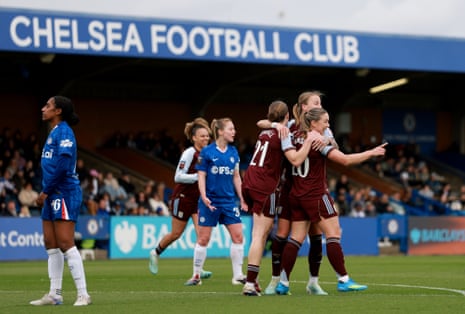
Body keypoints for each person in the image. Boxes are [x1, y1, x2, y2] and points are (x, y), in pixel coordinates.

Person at [275, 107, 387, 295]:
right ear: (313, 123)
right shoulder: (318, 140)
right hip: (316, 194)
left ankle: (283, 283)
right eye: (325, 121)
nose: (328, 125)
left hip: (296, 195)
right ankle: (343, 279)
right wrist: (371, 153)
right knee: (333, 234)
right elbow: (344, 160)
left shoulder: (293, 137)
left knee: (295, 239)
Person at [257, 91, 337, 295]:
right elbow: (261, 123)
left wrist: (328, 142)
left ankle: (313, 282)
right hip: (289, 188)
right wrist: (276, 125)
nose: (320, 105)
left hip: (311, 190)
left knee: (316, 235)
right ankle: (276, 281)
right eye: (316, 102)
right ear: (304, 107)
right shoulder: (290, 125)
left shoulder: (322, 127)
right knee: (282, 234)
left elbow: (335, 145)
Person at [241, 100, 324, 296]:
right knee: (260, 235)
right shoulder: (284, 132)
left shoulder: (266, 131)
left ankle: (254, 279)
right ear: (287, 116)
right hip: (266, 186)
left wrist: (273, 124)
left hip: (250, 181)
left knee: (261, 233)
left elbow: (261, 123)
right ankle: (250, 283)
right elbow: (295, 159)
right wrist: (309, 142)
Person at [29, 96, 91, 306]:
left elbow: (64, 164)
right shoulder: (53, 132)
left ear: (58, 112)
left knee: (65, 242)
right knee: (50, 242)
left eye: (48, 106)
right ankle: (55, 294)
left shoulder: (64, 131)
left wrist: (45, 191)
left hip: (63, 192)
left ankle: (83, 294)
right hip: (52, 192)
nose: (43, 108)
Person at [184, 117, 249, 286]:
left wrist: (242, 198)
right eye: (230, 129)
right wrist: (203, 196)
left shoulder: (233, 152)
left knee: (238, 236)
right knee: (203, 239)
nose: (234, 132)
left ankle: (238, 275)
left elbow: (236, 177)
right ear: (220, 131)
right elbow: (201, 175)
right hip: (210, 202)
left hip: (228, 202)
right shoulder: (207, 152)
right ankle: (196, 275)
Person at [149, 117, 213, 280]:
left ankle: (198, 270)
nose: (206, 138)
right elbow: (178, 176)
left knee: (202, 235)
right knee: (176, 234)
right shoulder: (189, 153)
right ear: (194, 138)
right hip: (182, 198)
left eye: (207, 136)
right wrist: (197, 177)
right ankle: (155, 253)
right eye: (202, 136)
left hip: (197, 200)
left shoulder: (207, 154)